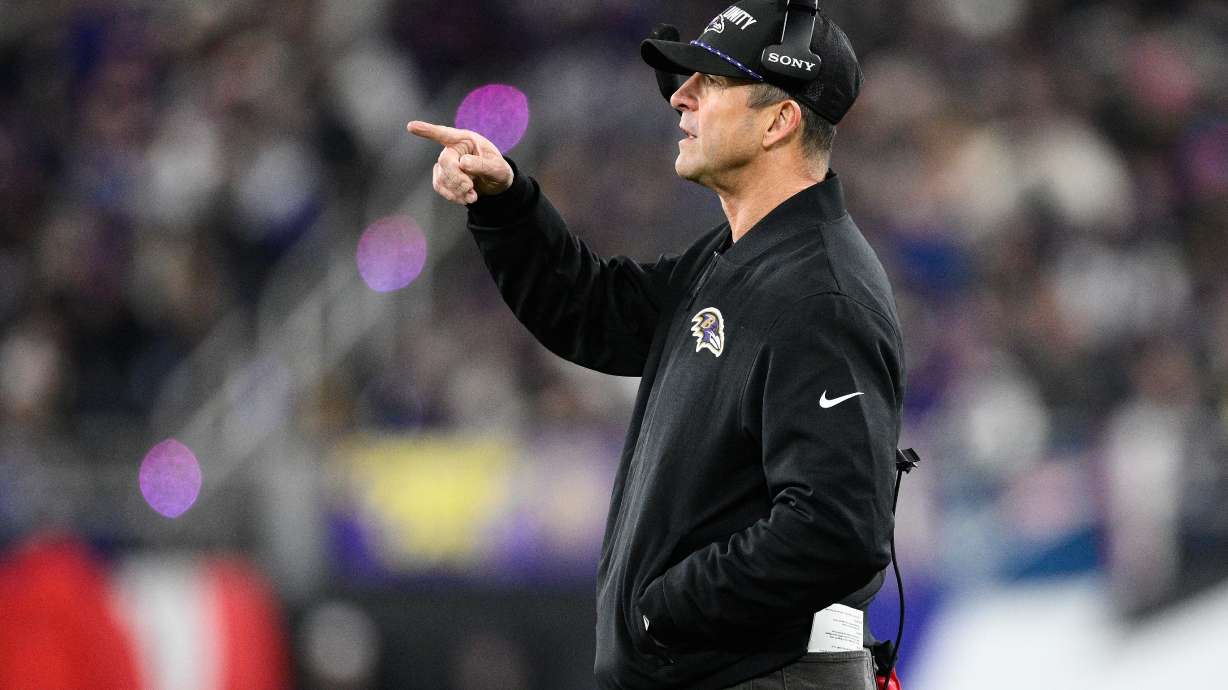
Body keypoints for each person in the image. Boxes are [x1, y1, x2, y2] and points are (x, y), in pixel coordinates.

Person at [408, 1, 905, 688]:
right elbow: (594, 313)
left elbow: (835, 529)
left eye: (710, 83)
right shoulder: (738, 259)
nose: (680, 98)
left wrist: (666, 610)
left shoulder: (820, 293)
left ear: (780, 120)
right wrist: (505, 201)